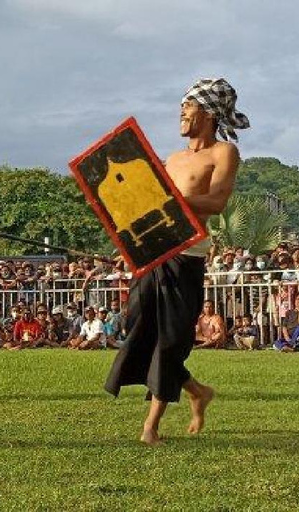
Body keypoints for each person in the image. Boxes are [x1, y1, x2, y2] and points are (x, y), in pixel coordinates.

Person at [105, 78, 248, 445]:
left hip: (188, 254)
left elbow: (216, 202)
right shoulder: (172, 159)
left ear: (208, 112)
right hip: (154, 251)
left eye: (188, 106)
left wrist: (168, 197)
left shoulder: (223, 153)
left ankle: (150, 426)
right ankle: (197, 390)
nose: (181, 113)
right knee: (140, 329)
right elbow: (150, 206)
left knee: (170, 338)